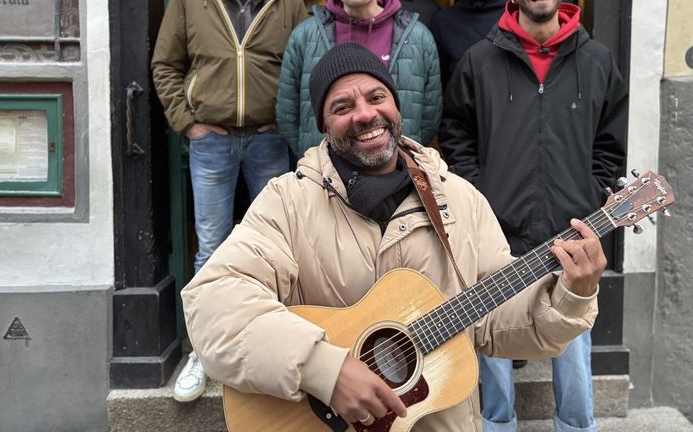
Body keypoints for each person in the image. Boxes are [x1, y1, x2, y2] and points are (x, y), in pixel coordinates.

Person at [182, 42, 608, 431]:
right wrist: (322, 369)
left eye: (376, 97)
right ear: (323, 126)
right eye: (342, 106)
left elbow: (498, 325)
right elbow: (214, 303)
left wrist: (571, 294)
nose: (365, 114)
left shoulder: (460, 200)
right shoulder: (288, 201)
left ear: (396, 106)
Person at [439, 0, 628, 432]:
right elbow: (457, 132)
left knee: (573, 342)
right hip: (497, 232)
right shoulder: (481, 60)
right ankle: (499, 427)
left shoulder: (597, 60)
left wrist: (591, 193)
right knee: (495, 351)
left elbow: (611, 140)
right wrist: (477, 193)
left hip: (573, 228)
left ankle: (576, 426)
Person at [151, 0, 308, 402]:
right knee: (212, 247)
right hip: (211, 141)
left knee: (277, 246)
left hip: (269, 138)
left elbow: (305, 70)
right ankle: (205, 350)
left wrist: (292, 127)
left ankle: (275, 344)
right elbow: (165, 65)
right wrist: (187, 123)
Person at [277, 0, 441, 158]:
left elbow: (429, 115)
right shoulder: (304, 36)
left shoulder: (418, 37)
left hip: (397, 174)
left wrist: (398, 158)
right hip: (325, 177)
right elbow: (288, 111)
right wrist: (314, 157)